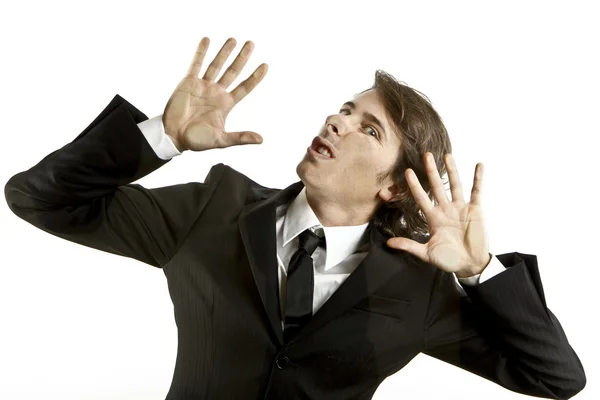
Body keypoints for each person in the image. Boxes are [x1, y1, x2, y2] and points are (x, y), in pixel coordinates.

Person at [4, 37, 586, 400]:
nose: (338, 122)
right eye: (344, 109)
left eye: (369, 128)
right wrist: (161, 137)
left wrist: (479, 270)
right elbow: (38, 199)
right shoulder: (214, 206)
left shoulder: (419, 288)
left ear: (392, 187)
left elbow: (556, 378)